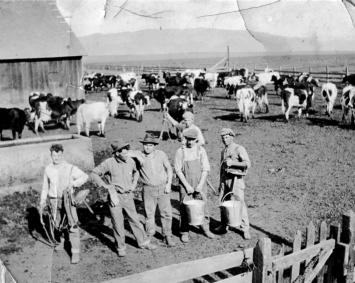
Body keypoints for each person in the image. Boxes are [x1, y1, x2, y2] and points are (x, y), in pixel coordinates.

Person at [90, 140, 156, 257]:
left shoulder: (130, 161)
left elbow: (136, 172)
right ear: (116, 153)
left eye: (127, 150)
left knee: (134, 219)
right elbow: (94, 173)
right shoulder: (109, 163)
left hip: (128, 196)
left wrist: (134, 183)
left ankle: (143, 242)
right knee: (118, 222)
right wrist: (106, 187)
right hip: (115, 196)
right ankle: (120, 247)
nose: (126, 153)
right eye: (123, 152)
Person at [39, 143, 89, 264]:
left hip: (68, 200)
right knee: (57, 224)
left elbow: (85, 176)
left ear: (62, 154)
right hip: (54, 201)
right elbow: (45, 187)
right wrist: (42, 201)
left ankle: (75, 252)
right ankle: (61, 242)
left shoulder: (70, 168)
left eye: (59, 155)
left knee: (72, 225)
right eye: (54, 155)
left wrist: (74, 184)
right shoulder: (48, 169)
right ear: (51, 155)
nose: (57, 158)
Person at [127, 133, 175, 247]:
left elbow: (169, 168)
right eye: (145, 145)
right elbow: (125, 153)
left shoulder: (161, 154)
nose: (147, 147)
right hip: (148, 189)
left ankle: (167, 235)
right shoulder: (140, 154)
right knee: (149, 214)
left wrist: (169, 184)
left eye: (150, 145)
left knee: (166, 213)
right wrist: (136, 156)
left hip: (163, 187)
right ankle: (149, 234)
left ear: (154, 146)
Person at [174, 128, 215, 243]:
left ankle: (205, 228)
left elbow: (206, 169)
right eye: (188, 139)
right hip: (185, 183)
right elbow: (178, 170)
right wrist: (187, 186)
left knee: (203, 206)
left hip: (200, 183)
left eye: (192, 140)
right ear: (185, 139)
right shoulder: (180, 152)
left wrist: (200, 185)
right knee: (184, 207)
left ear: (197, 139)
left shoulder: (201, 151)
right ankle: (184, 231)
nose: (190, 142)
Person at [216, 128, 251, 240]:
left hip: (236, 180)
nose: (224, 140)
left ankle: (245, 229)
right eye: (223, 138)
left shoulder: (238, 148)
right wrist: (220, 183)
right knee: (223, 202)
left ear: (232, 137)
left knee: (239, 203)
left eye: (226, 137)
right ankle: (224, 224)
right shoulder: (223, 151)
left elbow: (247, 163)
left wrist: (233, 163)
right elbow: (222, 168)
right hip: (224, 180)